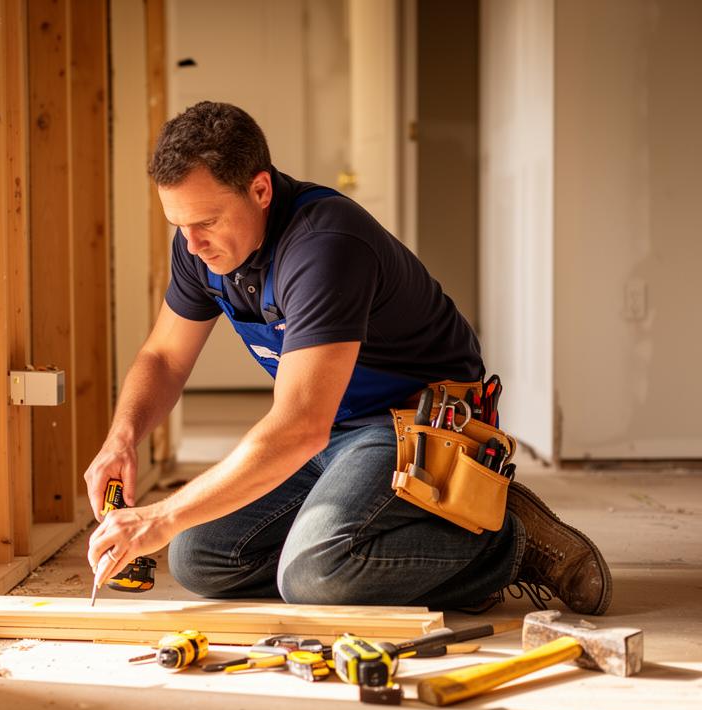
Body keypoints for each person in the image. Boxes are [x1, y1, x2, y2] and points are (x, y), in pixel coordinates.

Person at [84, 101, 611, 615]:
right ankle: (388, 544)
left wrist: (161, 516)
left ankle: (506, 541)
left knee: (314, 573)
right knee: (200, 557)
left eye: (206, 221)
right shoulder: (198, 247)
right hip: (332, 428)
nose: (192, 244)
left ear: (260, 190)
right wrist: (121, 438)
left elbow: (298, 427)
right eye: (178, 225)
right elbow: (164, 357)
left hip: (415, 423)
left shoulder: (323, 245)